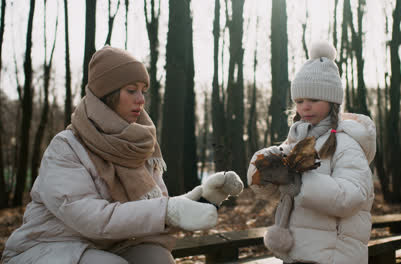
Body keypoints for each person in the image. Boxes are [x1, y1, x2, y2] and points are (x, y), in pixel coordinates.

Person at [1, 46, 244, 264]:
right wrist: (169, 210)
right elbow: (91, 218)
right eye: (131, 90)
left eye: (143, 91)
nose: (141, 100)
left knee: (158, 259)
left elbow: (152, 208)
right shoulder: (65, 147)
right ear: (107, 95)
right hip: (49, 249)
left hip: (111, 245)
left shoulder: (140, 144)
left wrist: (200, 197)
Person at [247, 42, 376, 264]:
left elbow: (351, 197)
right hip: (298, 253)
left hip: (336, 255)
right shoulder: (297, 140)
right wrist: (265, 169)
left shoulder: (346, 143)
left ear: (332, 101)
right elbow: (268, 190)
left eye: (314, 100)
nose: (305, 107)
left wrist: (300, 179)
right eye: (299, 101)